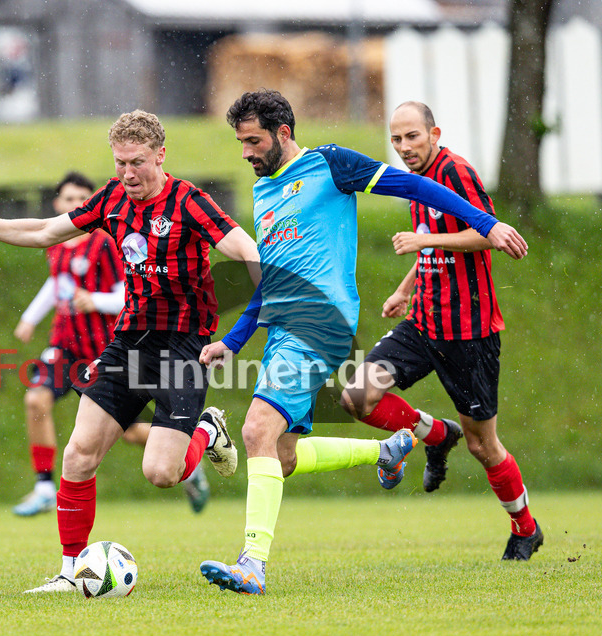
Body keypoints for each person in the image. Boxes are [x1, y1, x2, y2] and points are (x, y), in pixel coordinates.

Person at [198, 89, 529, 595]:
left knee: (255, 429)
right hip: (285, 329)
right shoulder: (264, 193)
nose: (246, 152)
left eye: (253, 141)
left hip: (321, 322)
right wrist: (235, 339)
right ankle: (385, 450)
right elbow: (270, 281)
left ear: (283, 133)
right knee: (281, 456)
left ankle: (252, 565)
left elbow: (413, 185)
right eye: (241, 142)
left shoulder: (330, 165)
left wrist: (488, 223)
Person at [0, 109, 261, 593]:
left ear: (160, 155)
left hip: (183, 346)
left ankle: (207, 431)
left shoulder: (190, 202)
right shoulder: (111, 198)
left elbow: (249, 253)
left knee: (161, 473)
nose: (128, 173)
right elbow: (43, 232)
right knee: (78, 454)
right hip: (128, 343)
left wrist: (242, 332)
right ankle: (71, 572)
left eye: (137, 162)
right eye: (120, 163)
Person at [339, 101, 543, 560]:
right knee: (356, 397)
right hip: (423, 323)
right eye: (396, 139)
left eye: (412, 136)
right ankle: (434, 434)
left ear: (434, 134)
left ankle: (526, 529)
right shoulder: (415, 182)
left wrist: (425, 240)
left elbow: (486, 232)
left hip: (469, 332)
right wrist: (404, 289)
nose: (404, 147)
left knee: (483, 445)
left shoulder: (455, 172)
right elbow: (432, 246)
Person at [11, 172, 209, 516]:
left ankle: (186, 455)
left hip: (106, 349)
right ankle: (44, 487)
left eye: (81, 199)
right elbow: (58, 283)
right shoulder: (55, 244)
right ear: (58, 204)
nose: (75, 205)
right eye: (69, 199)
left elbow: (131, 293)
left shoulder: (105, 241)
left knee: (131, 433)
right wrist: (30, 317)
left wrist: (95, 301)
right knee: (36, 399)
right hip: (66, 346)